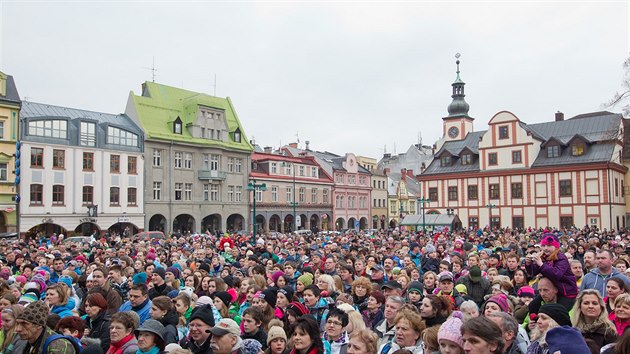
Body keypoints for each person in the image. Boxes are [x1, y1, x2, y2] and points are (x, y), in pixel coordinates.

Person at [525, 233, 578, 311]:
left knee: (557, 311)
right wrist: (529, 264)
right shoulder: (543, 257)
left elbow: (557, 274)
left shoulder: (561, 257)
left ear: (556, 247)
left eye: (549, 246)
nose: (546, 248)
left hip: (566, 292)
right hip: (551, 290)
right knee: (533, 306)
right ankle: (534, 320)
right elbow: (533, 272)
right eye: (543, 246)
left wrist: (541, 264)